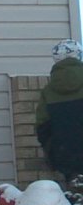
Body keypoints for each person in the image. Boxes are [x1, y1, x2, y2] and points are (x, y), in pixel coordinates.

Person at [36, 38, 83, 184]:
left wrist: (53, 150)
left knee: (73, 199)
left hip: (65, 157)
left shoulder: (48, 91)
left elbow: (42, 127)